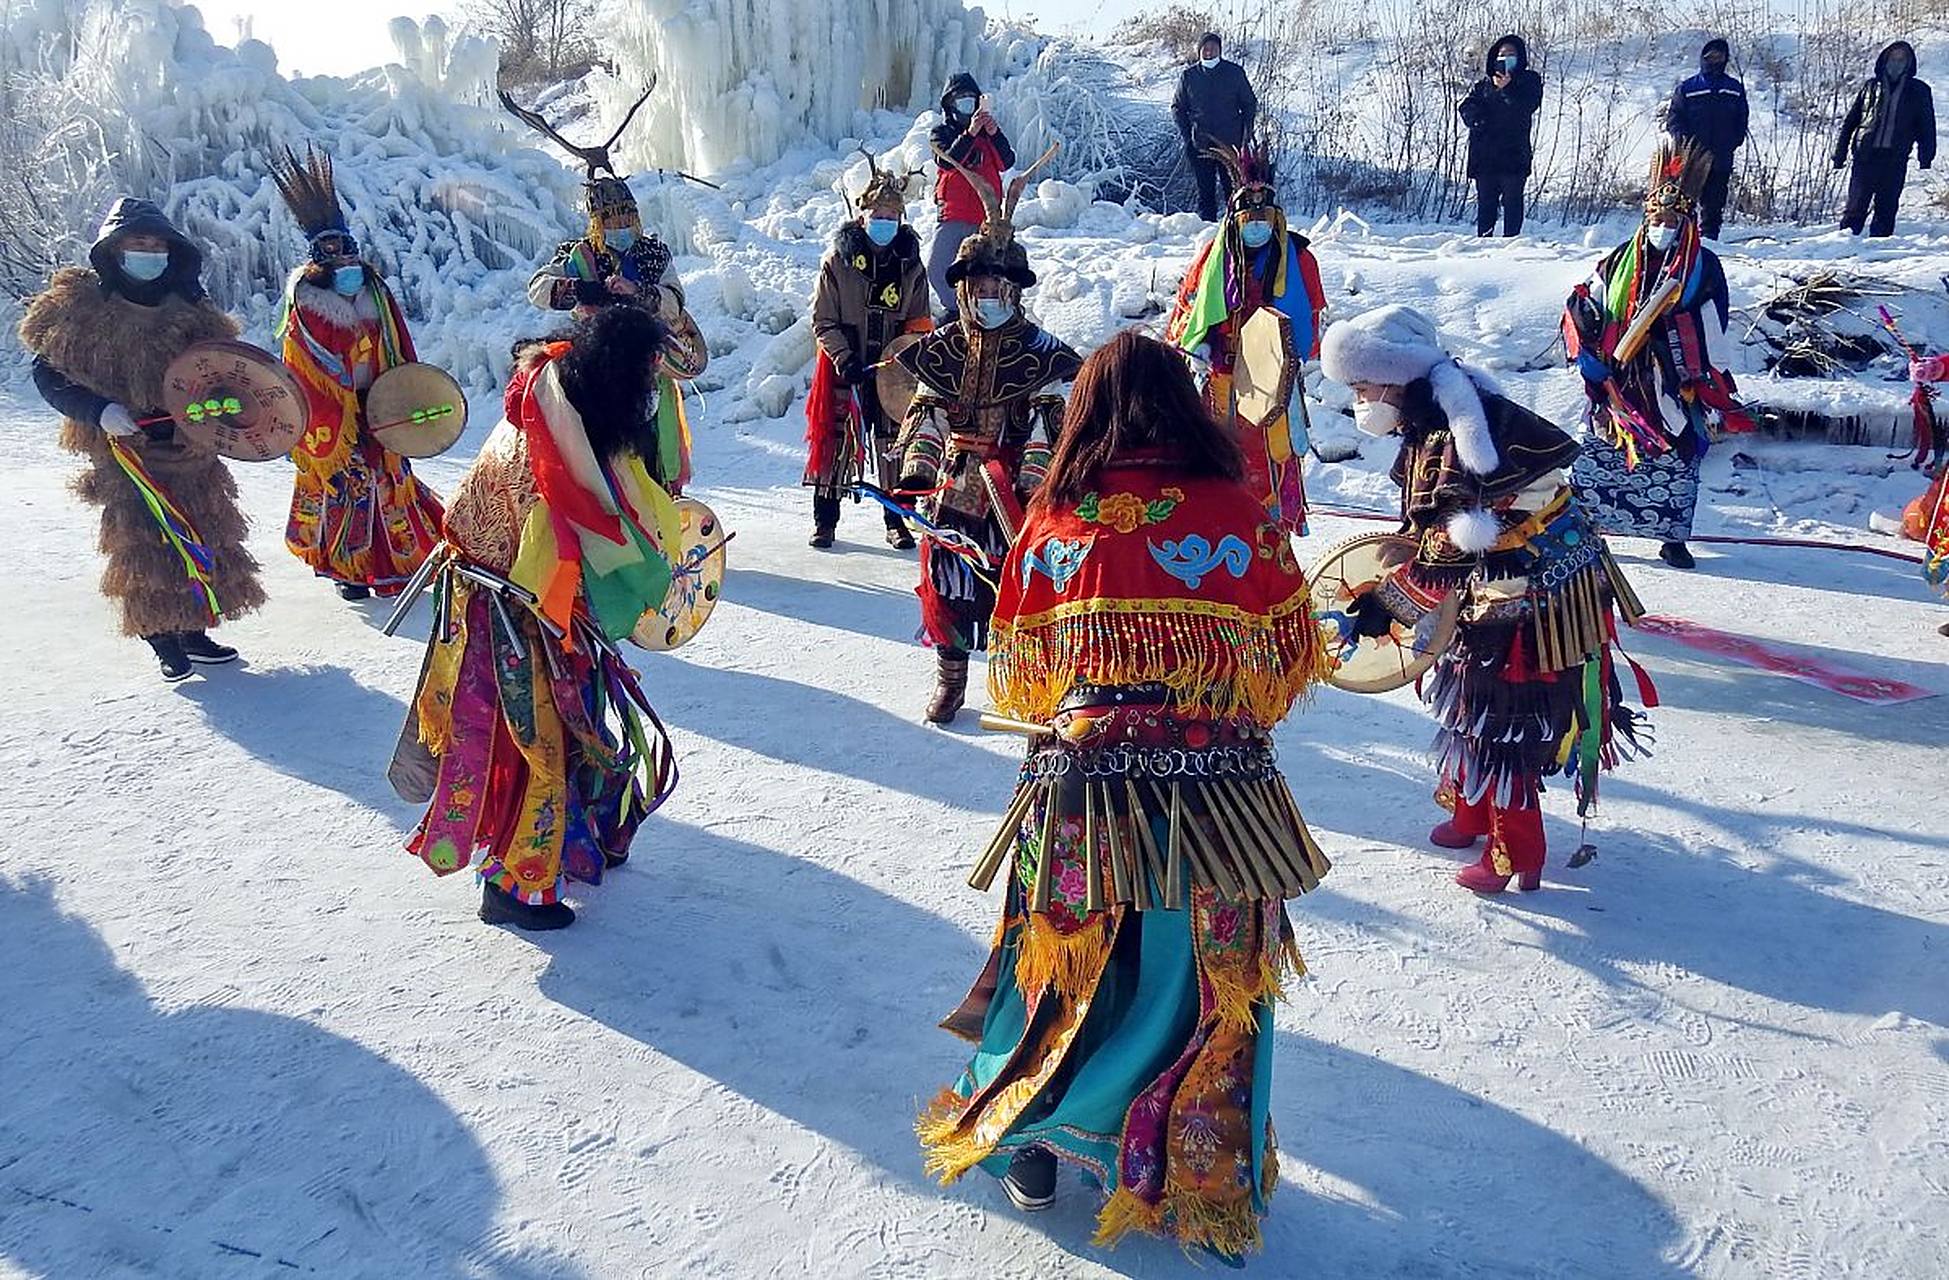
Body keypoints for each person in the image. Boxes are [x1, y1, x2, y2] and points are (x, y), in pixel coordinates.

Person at [916, 330, 1330, 1264]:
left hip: (1079, 784)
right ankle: (1195, 1172)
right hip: (1222, 792)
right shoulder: (1238, 508)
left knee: (1063, 966)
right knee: (1203, 981)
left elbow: (1023, 662)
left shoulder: (1057, 518)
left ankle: (1030, 1145)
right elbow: (1286, 652)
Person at [1319, 305, 1652, 894]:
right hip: (1501, 575)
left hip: (1532, 596)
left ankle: (1516, 852)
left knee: (1500, 716)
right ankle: (1473, 810)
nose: (1360, 398)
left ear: (1396, 377)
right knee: (1466, 698)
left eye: (1363, 384)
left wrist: (1385, 605)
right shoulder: (1436, 414)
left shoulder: (1459, 430)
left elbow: (1451, 541)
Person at [395, 306, 683, 932]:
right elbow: (561, 555)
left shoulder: (554, 401)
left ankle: (585, 838)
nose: (650, 387)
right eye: (643, 373)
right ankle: (512, 886)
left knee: (572, 733)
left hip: (513, 608)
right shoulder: (557, 451)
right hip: (510, 622)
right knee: (534, 748)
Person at [18, 197, 266, 682]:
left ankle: (195, 628)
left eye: (157, 244)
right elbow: (48, 375)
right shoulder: (82, 311)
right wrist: (99, 411)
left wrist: (211, 420)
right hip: (124, 454)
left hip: (190, 449)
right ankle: (160, 635)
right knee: (145, 545)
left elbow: (226, 375)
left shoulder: (194, 313)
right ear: (114, 249)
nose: (149, 251)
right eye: (138, 243)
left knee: (203, 536)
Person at [897, 147, 1078, 723]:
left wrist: (1033, 485)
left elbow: (1052, 421)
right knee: (945, 585)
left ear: (1016, 292)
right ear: (965, 291)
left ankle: (1031, 687)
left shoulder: (1041, 352)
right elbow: (926, 407)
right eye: (980, 288)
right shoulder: (945, 346)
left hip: (1015, 497)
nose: (990, 298)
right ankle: (950, 679)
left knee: (1020, 591)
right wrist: (917, 469)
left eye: (1001, 288)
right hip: (954, 489)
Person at [269, 146, 445, 601]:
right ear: (317, 260)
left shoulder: (376, 293)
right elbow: (302, 370)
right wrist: (343, 403)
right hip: (338, 416)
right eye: (333, 256)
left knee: (390, 482)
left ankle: (404, 559)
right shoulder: (306, 307)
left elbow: (400, 346)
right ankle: (350, 569)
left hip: (382, 404)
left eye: (348, 252)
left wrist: (406, 395)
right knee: (347, 487)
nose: (344, 263)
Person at [1564, 142, 1746, 569]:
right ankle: (1586, 529)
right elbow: (1588, 298)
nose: (1662, 226)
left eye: (1671, 220)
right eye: (1656, 219)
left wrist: (1667, 336)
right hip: (1619, 379)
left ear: (1687, 222)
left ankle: (1672, 538)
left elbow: (1713, 322)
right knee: (1603, 453)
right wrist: (1591, 334)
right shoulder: (1619, 259)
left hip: (1672, 379)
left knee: (1677, 457)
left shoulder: (1704, 267)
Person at [1165, 139, 1326, 536]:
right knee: (1216, 455)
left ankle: (1272, 540)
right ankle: (1214, 532)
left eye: (1264, 216)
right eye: (1248, 216)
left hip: (1272, 379)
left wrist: (1285, 351)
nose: (1257, 224)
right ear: (1233, 220)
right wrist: (1197, 343)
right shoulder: (1212, 257)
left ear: (1276, 218)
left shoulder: (1298, 258)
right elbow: (1187, 310)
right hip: (1220, 375)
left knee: (1271, 457)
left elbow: (1312, 319)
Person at [528, 170, 695, 491]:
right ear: (596, 222)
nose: (619, 226)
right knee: (600, 450)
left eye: (626, 217)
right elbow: (537, 289)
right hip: (595, 369)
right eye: (610, 219)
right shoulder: (578, 255)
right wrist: (583, 289)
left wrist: (637, 291)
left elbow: (675, 300)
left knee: (652, 448)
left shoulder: (653, 254)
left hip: (648, 366)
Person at [803, 150, 931, 550]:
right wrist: (845, 359)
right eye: (878, 215)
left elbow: (919, 322)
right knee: (836, 441)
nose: (884, 223)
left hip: (892, 371)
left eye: (892, 217)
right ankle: (825, 520)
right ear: (863, 216)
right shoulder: (838, 262)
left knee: (895, 445)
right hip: (846, 363)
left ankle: (898, 520)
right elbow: (823, 319)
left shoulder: (912, 266)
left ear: (901, 220)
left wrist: (906, 361)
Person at [927, 72, 1015, 318]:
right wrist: (970, 134)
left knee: (987, 273)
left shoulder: (989, 136)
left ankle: (989, 315)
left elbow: (1007, 161)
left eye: (971, 100)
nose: (966, 106)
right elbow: (947, 161)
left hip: (985, 221)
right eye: (960, 101)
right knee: (938, 269)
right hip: (953, 215)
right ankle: (956, 311)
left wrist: (994, 133)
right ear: (950, 104)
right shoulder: (941, 133)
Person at [1835, 41, 1937, 237]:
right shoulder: (1870, 87)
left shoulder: (1919, 90)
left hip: (1895, 158)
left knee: (1887, 206)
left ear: (1909, 63)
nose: (1896, 63)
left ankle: (1879, 249)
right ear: (1884, 59)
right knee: (1855, 205)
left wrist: (1926, 156)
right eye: (1893, 58)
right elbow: (1851, 122)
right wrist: (1839, 153)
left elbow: (1927, 127)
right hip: (1865, 156)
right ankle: (1843, 245)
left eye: (1902, 59)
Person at [1457, 34, 1545, 237]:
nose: (1506, 59)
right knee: (1486, 204)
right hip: (1485, 157)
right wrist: (1476, 118)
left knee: (1513, 203)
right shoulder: (1484, 85)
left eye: (1511, 54)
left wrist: (1506, 90)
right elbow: (1467, 106)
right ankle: (1484, 242)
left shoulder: (1529, 81)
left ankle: (1511, 244)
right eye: (1502, 55)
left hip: (1513, 156)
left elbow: (1526, 107)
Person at [1666, 38, 1749, 240]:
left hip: (1721, 156)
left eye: (1719, 56)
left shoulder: (1734, 88)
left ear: (1725, 59)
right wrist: (1682, 140)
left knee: (1715, 202)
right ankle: (1684, 237)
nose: (1715, 60)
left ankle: (1709, 239)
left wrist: (1734, 141)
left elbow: (1742, 117)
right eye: (1711, 56)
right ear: (1703, 58)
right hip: (1692, 157)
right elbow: (1674, 118)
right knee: (1685, 200)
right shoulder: (1687, 88)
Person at [1173, 32, 1258, 222]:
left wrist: (1246, 134)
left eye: (1213, 48)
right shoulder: (1189, 76)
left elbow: (1249, 104)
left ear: (1220, 50)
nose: (1209, 52)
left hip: (1231, 145)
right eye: (1205, 48)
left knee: (1234, 191)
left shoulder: (1234, 73)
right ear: (1199, 50)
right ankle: (1207, 233)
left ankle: (1236, 229)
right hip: (1200, 144)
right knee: (1205, 193)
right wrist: (1187, 137)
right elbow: (1178, 108)